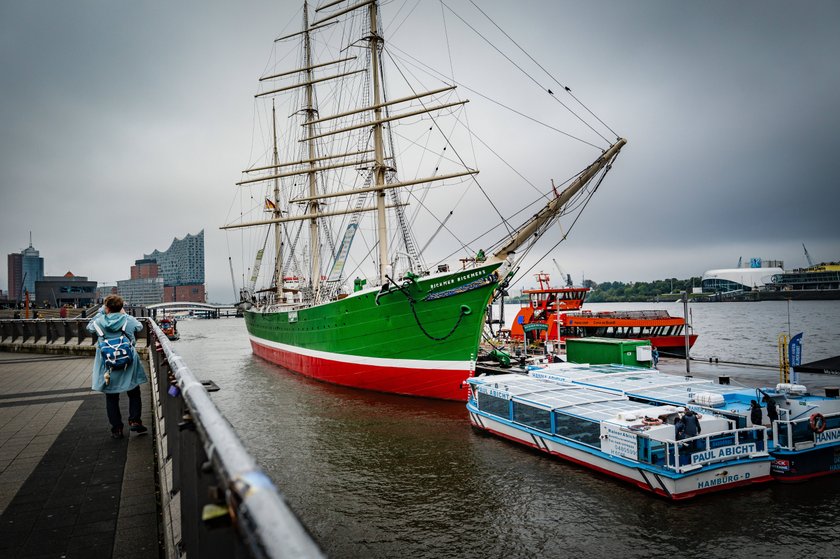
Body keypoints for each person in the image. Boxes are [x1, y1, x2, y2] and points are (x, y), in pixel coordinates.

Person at [87, 295, 148, 439]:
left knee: (111, 396)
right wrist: (124, 313)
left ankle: (117, 429)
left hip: (108, 363)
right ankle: (134, 421)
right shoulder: (128, 320)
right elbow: (139, 326)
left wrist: (102, 311)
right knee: (134, 391)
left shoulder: (98, 321)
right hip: (128, 361)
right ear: (121, 307)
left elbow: (89, 327)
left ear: (106, 307)